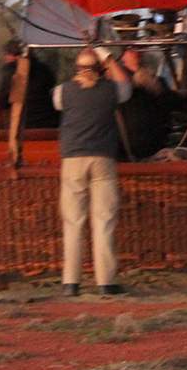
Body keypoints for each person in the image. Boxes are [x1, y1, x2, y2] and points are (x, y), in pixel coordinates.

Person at [54, 46, 132, 296]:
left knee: (73, 222)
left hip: (72, 159)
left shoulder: (61, 92)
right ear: (100, 69)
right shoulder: (111, 91)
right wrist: (107, 56)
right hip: (102, 158)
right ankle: (106, 282)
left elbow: (56, 104)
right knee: (104, 220)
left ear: (76, 69)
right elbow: (126, 84)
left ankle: (70, 283)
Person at [117, 48, 185, 161]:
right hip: (137, 147)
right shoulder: (122, 88)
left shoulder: (154, 84)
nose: (138, 54)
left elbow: (172, 102)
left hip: (144, 147)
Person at [0, 40, 60, 129]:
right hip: (51, 122)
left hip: (25, 125)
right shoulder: (44, 69)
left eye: (6, 54)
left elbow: (3, 102)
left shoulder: (12, 71)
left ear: (14, 55)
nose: (5, 58)